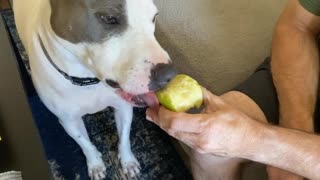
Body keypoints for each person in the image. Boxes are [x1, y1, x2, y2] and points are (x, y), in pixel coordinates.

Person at [146, 0, 320, 179]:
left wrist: (273, 148)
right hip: (309, 66)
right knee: (212, 146)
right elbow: (297, 24)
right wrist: (296, 124)